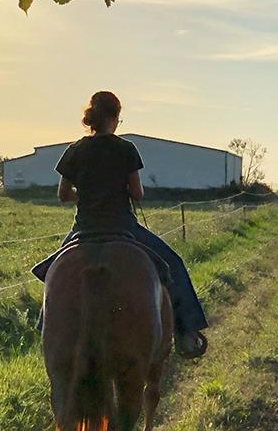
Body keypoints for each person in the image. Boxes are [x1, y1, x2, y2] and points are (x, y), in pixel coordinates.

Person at [52, 90, 208, 358]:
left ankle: (46, 328)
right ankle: (186, 333)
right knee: (174, 264)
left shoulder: (74, 150)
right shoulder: (125, 149)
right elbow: (136, 193)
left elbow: (64, 195)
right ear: (115, 118)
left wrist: (86, 195)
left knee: (53, 274)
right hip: (123, 228)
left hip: (84, 230)